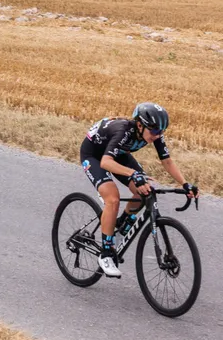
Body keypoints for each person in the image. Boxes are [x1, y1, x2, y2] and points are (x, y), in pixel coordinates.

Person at [80, 103, 198, 278]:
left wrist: (185, 184)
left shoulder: (154, 133)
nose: (157, 135)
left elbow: (167, 161)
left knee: (145, 190)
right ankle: (105, 255)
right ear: (140, 125)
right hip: (95, 155)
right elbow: (105, 162)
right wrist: (133, 173)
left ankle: (120, 228)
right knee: (112, 199)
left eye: (161, 132)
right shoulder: (123, 131)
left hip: (117, 153)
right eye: (154, 131)